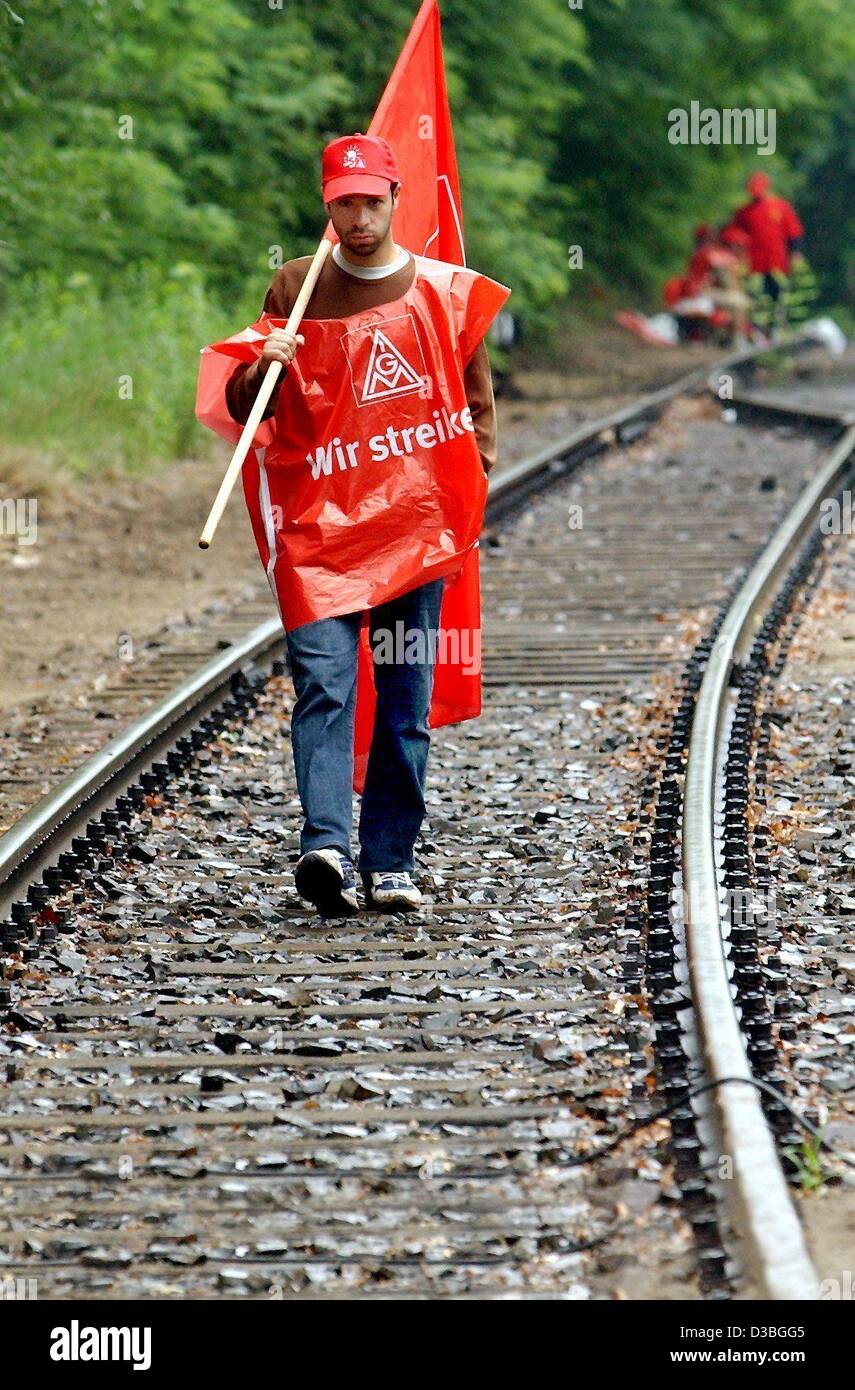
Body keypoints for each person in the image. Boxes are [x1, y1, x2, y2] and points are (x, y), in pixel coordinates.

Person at [224, 133, 501, 917]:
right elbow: (252, 414)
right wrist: (262, 363)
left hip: (413, 536)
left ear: (393, 200)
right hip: (322, 536)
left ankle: (390, 859)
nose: (356, 218)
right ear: (327, 206)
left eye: (369, 202)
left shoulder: (444, 293)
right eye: (342, 204)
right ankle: (325, 848)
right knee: (322, 686)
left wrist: (462, 494)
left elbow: (474, 413)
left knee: (404, 701)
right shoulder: (295, 286)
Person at [725, 172, 804, 327]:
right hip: (753, 264)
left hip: (777, 262)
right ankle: (757, 328)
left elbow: (793, 231)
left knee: (779, 293)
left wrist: (795, 253)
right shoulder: (744, 212)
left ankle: (780, 326)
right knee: (755, 296)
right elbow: (731, 233)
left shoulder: (780, 206)